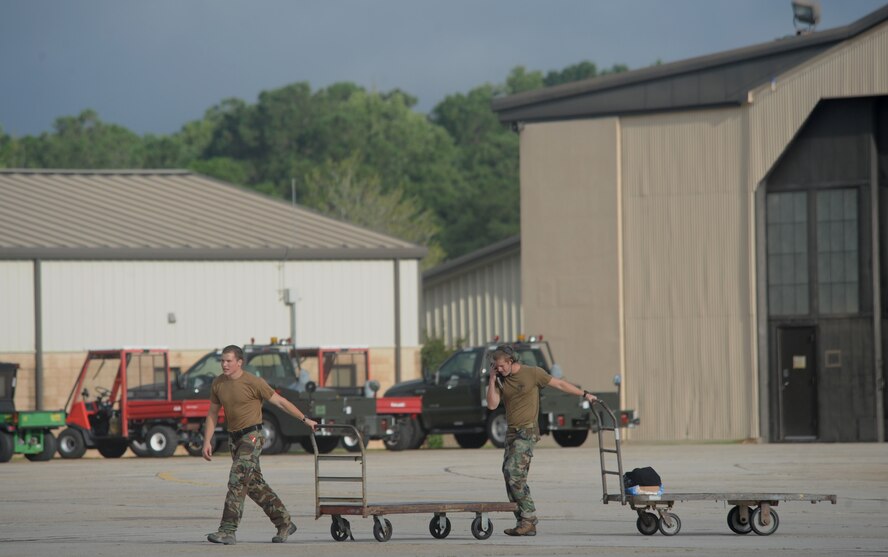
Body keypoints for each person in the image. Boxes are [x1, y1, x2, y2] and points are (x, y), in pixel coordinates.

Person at [202, 345, 318, 545]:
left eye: (229, 360)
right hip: (234, 439)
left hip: (252, 437)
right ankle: (284, 522)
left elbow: (281, 402)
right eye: (222, 360)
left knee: (237, 479)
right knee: (254, 485)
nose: (224, 364)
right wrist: (207, 441)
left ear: (239, 362)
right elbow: (212, 413)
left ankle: (227, 530)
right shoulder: (218, 383)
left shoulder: (254, 382)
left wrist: (305, 419)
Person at [486, 344, 598, 537]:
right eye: (496, 366)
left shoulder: (533, 373)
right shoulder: (500, 379)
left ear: (511, 361)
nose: (499, 369)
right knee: (509, 475)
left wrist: (584, 394)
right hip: (511, 432)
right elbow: (492, 404)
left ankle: (529, 518)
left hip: (527, 431)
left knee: (513, 472)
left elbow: (560, 384)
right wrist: (492, 378)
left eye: (501, 366)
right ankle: (524, 521)